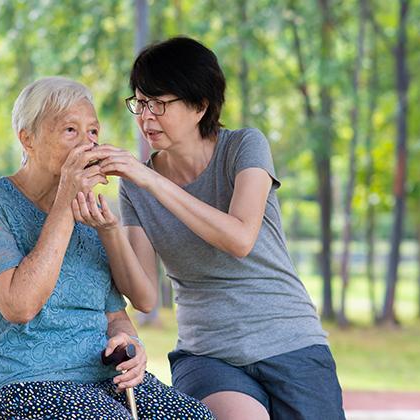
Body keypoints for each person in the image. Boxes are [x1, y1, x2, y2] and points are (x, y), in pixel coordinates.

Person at [88, 37, 346, 419]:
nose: (146, 117)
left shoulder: (243, 148)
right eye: (140, 103)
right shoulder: (135, 187)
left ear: (200, 105)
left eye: (159, 104)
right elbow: (144, 298)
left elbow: (239, 238)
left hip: (290, 341)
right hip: (208, 355)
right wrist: (110, 228)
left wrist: (152, 181)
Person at [0, 76, 213, 420]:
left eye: (92, 132)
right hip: (17, 386)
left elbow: (115, 316)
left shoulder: (91, 217)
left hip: (101, 384)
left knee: (194, 416)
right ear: (27, 139)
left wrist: (129, 344)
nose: (87, 144)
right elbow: (20, 306)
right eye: (70, 131)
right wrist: (65, 201)